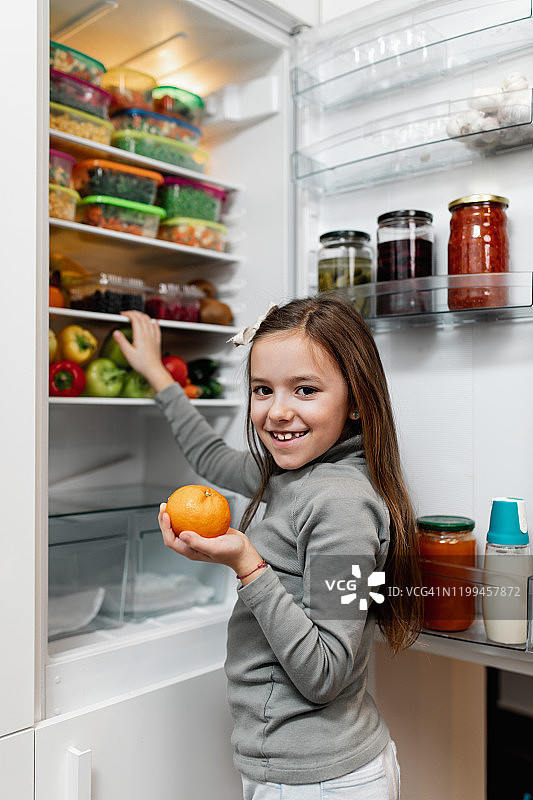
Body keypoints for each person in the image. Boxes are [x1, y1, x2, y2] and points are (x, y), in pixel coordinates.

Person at [115, 296, 423, 799]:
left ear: (357, 402)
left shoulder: (344, 505)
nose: (278, 412)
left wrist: (247, 565)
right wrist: (158, 375)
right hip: (290, 772)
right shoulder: (284, 474)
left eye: (305, 390)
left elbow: (326, 671)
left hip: (326, 781)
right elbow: (210, 455)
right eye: (263, 390)